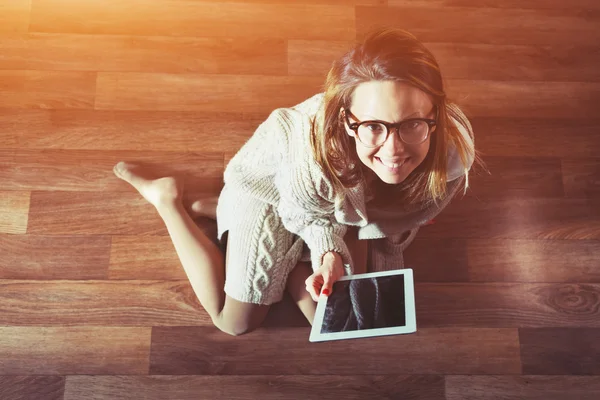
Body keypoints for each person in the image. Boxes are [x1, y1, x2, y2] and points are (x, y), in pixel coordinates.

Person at [113, 28, 481, 337]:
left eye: (412, 124)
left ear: (437, 112)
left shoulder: (453, 151)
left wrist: (333, 259)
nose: (394, 150)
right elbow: (308, 214)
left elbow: (399, 218)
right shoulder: (312, 150)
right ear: (346, 118)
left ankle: (228, 216)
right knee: (236, 323)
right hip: (272, 192)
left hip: (334, 205)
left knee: (341, 322)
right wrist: (327, 250)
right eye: (372, 126)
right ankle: (168, 199)